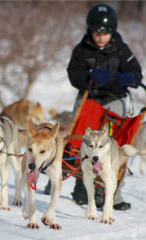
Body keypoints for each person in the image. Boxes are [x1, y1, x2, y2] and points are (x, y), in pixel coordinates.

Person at [67, 3, 143, 210]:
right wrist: (89, 77)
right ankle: (81, 184)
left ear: (113, 32)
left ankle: (113, 193)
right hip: (90, 100)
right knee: (83, 139)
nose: (101, 37)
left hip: (114, 99)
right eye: (96, 33)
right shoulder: (82, 50)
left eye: (105, 33)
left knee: (113, 143)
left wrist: (128, 78)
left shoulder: (121, 48)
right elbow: (74, 75)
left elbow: (136, 72)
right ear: (89, 31)